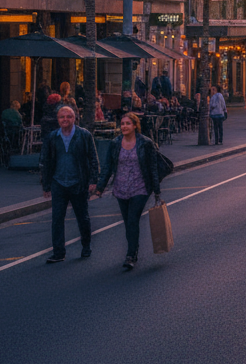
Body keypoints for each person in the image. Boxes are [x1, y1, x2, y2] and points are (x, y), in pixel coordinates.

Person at [96, 113, 161, 270]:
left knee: (133, 220)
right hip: (121, 188)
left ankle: (131, 255)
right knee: (128, 222)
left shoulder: (145, 143)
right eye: (122, 123)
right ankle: (134, 249)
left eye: (127, 123)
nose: (124, 126)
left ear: (135, 126)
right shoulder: (115, 143)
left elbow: (153, 168)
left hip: (140, 187)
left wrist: (157, 191)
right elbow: (108, 166)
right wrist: (100, 187)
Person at [40, 105, 99, 262]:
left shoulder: (84, 135)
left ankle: (86, 246)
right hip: (58, 183)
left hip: (78, 183)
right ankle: (59, 252)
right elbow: (46, 162)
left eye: (68, 117)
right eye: (62, 117)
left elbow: (93, 159)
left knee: (82, 217)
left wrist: (93, 180)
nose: (65, 119)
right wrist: (46, 185)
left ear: (74, 118)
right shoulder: (52, 137)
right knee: (57, 219)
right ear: (58, 119)